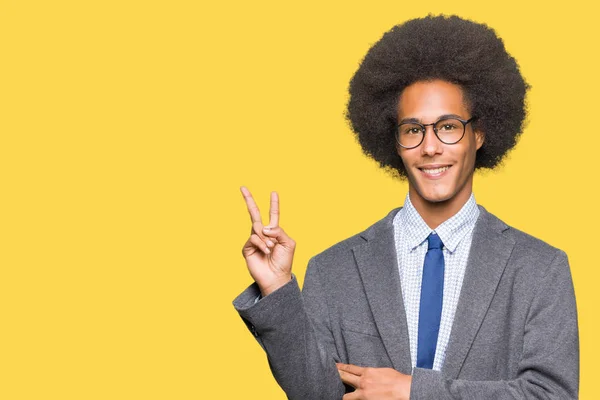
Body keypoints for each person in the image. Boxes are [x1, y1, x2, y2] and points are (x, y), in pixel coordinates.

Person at [233, 14, 579, 400]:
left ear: (478, 134)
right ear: (394, 142)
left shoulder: (540, 269)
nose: (430, 147)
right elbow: (317, 394)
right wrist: (277, 288)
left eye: (448, 126)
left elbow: (552, 395)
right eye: (413, 130)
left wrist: (417, 391)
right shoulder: (334, 270)